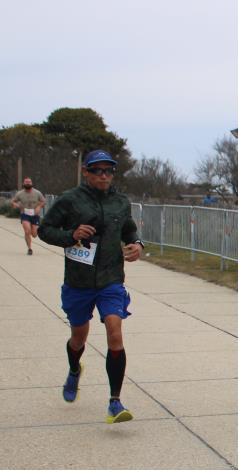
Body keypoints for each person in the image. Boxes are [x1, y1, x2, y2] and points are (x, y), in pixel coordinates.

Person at [38, 150, 144, 423]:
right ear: (85, 172)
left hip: (111, 279)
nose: (104, 176)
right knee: (78, 337)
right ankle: (74, 369)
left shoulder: (121, 202)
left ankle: (115, 402)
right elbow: (44, 230)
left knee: (115, 332)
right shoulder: (70, 200)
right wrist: (71, 235)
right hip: (79, 282)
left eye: (109, 171)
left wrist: (137, 244)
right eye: (98, 170)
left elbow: (129, 229)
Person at [12, 177, 45, 255]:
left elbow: (43, 201)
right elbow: (13, 201)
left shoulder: (37, 193)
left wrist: (39, 207)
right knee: (27, 231)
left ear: (31, 183)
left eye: (29, 182)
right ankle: (29, 248)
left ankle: (35, 231)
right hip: (25, 214)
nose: (28, 183)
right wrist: (16, 205)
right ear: (23, 184)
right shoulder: (20, 193)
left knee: (34, 234)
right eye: (26, 182)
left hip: (35, 215)